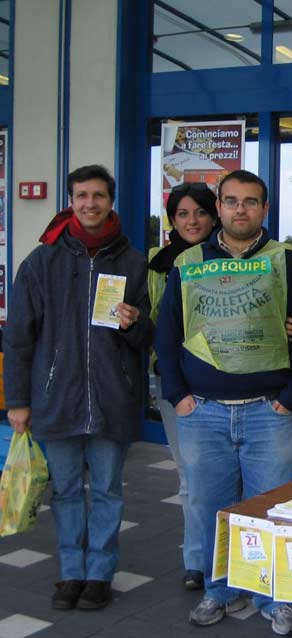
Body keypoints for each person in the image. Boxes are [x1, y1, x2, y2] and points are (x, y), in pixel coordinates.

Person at [155, 170, 292, 635]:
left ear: (265, 209)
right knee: (211, 508)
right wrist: (179, 397)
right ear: (219, 207)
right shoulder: (188, 262)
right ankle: (219, 590)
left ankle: (272, 596)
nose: (240, 210)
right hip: (202, 411)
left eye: (250, 202)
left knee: (269, 509)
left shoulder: (285, 260)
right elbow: (167, 335)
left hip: (269, 411)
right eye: (231, 201)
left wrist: (291, 398)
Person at [3, 164, 154, 611]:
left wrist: (135, 323)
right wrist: (17, 400)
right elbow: (18, 336)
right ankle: (71, 571)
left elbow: (148, 336)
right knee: (66, 491)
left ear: (111, 202)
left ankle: (100, 573)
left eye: (98, 196)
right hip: (55, 399)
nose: (90, 204)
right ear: (70, 201)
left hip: (113, 398)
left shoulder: (131, 261)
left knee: (108, 489)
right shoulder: (42, 261)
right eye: (82, 195)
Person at [148, 182, 219, 591]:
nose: (192, 221)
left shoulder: (236, 260)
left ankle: (231, 556)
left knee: (231, 479)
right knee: (191, 477)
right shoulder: (158, 265)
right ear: (172, 220)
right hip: (177, 382)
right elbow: (151, 326)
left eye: (200, 213)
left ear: (213, 216)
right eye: (182, 214)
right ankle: (196, 560)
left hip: (226, 383)